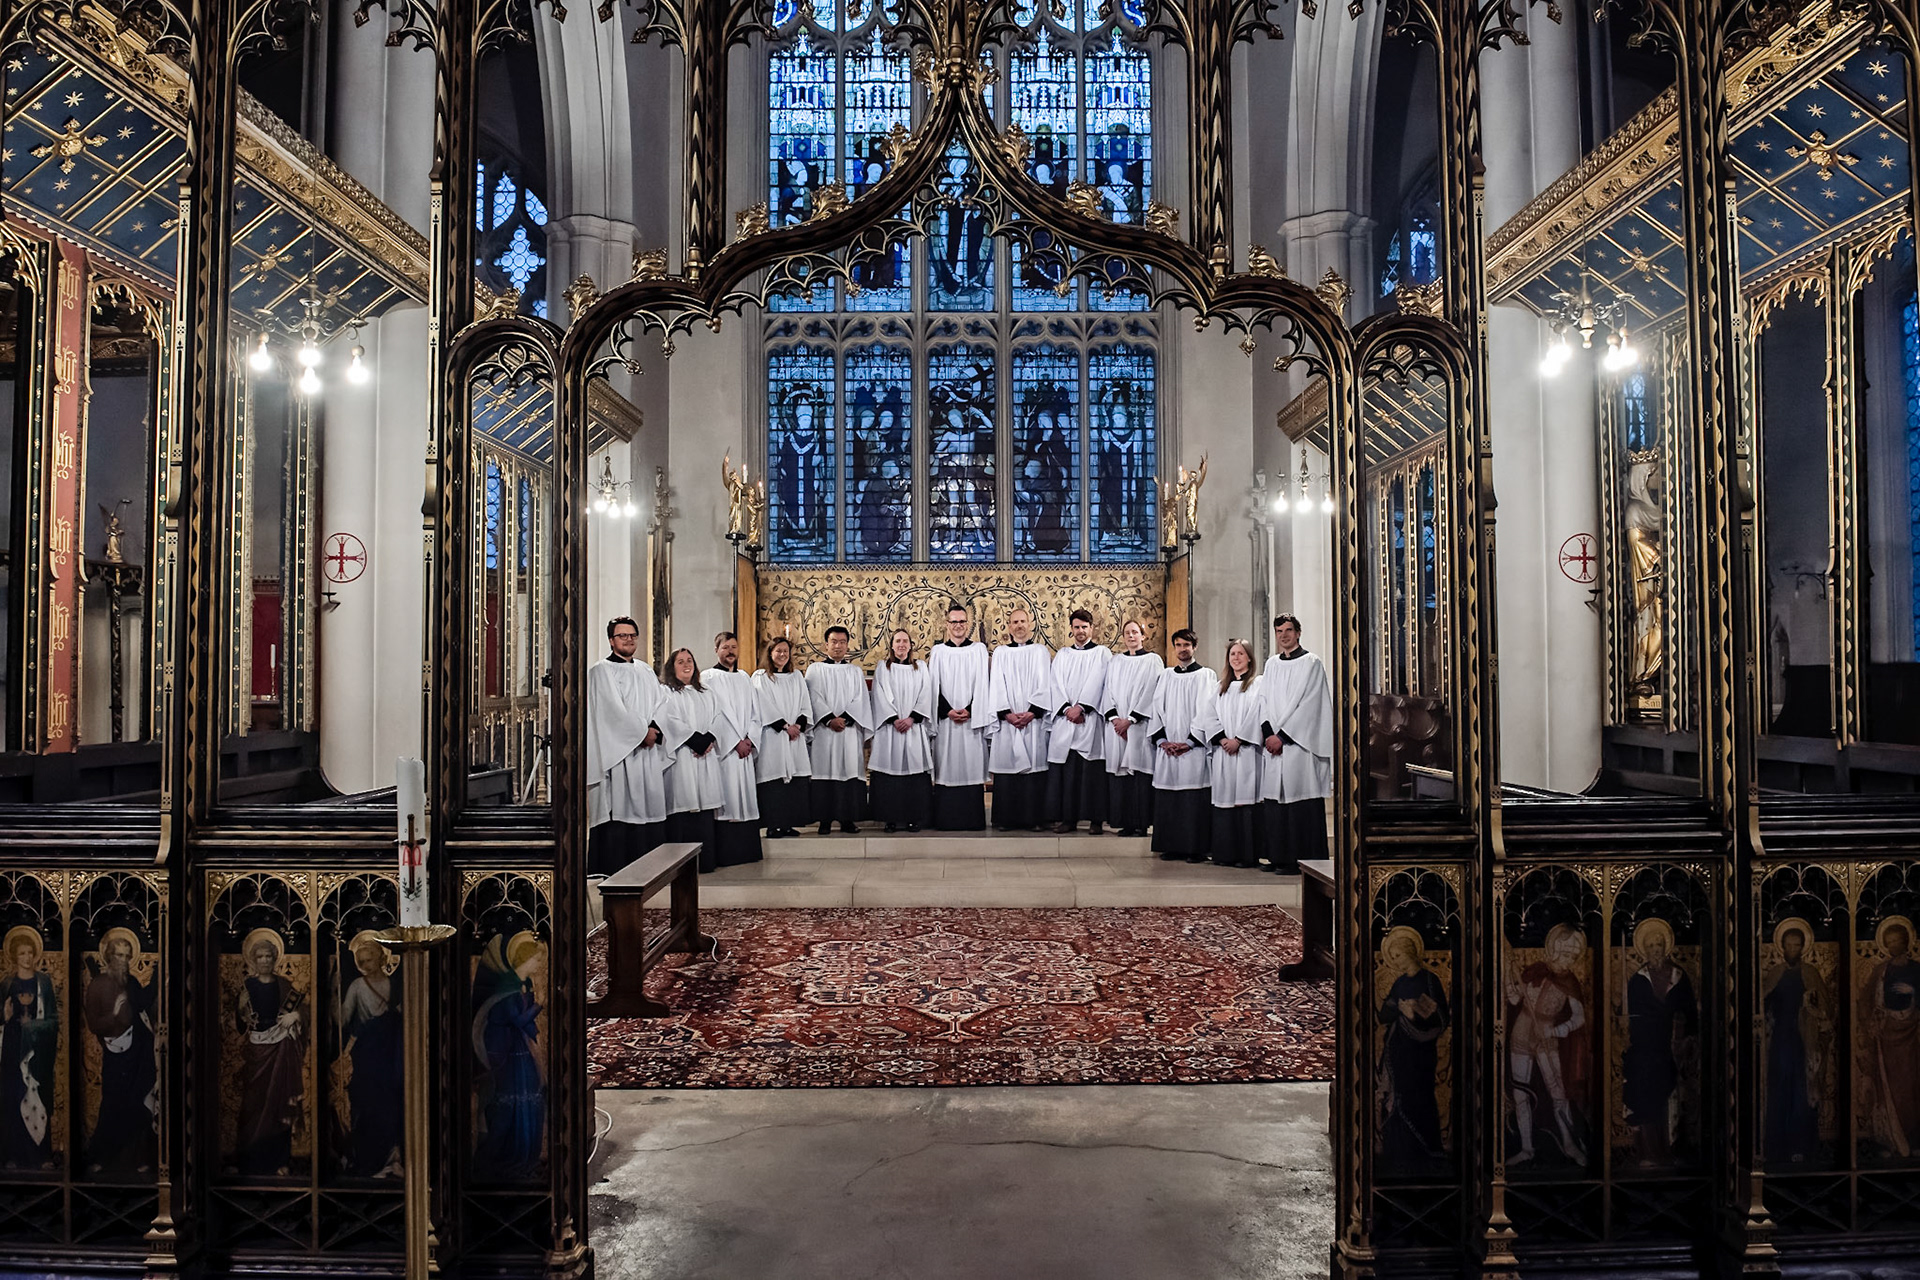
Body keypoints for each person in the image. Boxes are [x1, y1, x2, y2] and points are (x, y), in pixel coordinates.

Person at [585, 616, 668, 875]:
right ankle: (616, 871)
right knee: (620, 808)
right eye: (622, 636)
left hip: (647, 752)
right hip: (620, 756)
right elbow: (611, 712)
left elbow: (661, 703)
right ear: (611, 640)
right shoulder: (601, 671)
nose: (629, 639)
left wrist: (654, 729)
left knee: (647, 807)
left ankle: (650, 870)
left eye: (632, 635)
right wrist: (641, 733)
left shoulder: (644, 670)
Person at [1506, 922, 1590, 1167]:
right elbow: (1514, 998)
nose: (1568, 961)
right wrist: (1509, 976)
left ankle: (1569, 1143)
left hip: (1548, 1037)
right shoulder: (1535, 971)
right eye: (1565, 954)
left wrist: (1557, 1029)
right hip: (1521, 1034)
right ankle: (1526, 1148)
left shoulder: (1570, 982)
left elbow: (1579, 1017)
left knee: (1558, 1093)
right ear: (1553, 948)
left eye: (1573, 957)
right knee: (1520, 1093)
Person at [1258, 615, 1334, 874]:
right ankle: (1279, 857)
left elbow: (1312, 705)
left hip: (1299, 746)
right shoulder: (1271, 664)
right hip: (1274, 745)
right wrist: (1268, 732)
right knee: (1276, 803)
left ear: (1298, 632)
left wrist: (1283, 737)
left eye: (1288, 630)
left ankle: (1304, 860)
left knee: (1300, 802)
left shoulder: (1311, 663)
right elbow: (1263, 700)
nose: (1283, 635)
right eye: (1279, 631)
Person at [471, 931, 546, 1179]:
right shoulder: (508, 987)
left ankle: (525, 1156)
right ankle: (503, 1158)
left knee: (528, 1095)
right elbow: (518, 1019)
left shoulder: (523, 984)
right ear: (525, 959)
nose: (539, 964)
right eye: (537, 959)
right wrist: (540, 1004)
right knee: (509, 1098)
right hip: (504, 1050)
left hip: (518, 1046)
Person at [1623, 917, 1696, 1166]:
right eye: (1651, 945)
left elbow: (1690, 1013)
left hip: (1671, 1050)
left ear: (1666, 947)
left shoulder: (1678, 976)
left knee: (1673, 1099)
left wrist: (1684, 1038)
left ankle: (1673, 1150)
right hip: (1646, 1050)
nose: (1655, 950)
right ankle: (1648, 1152)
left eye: (1659, 944)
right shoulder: (1639, 979)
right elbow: (1632, 1016)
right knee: (1645, 1096)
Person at [1377, 926, 1451, 1171]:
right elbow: (1384, 1014)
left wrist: (1416, 1013)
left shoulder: (1430, 980)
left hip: (1420, 1053)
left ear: (1411, 952)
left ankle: (1427, 1151)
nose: (1396, 961)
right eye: (1394, 957)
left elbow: (1441, 1018)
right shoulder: (1399, 983)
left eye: (1399, 955)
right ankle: (1398, 1151)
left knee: (1419, 1096)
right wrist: (1399, 1008)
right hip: (1399, 1049)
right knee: (1397, 1097)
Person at [84, 929, 156, 1177]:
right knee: (113, 1105)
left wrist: (158, 975)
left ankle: (139, 1158)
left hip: (139, 1054)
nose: (123, 961)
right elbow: (94, 1024)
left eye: (127, 956)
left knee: (137, 1105)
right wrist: (114, 1013)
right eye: (118, 956)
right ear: (108, 957)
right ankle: (103, 1157)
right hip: (116, 1055)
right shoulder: (98, 985)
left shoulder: (132, 983)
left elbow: (144, 1002)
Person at [234, 929, 305, 1176]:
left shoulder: (284, 985)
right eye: (260, 956)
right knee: (254, 1105)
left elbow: (301, 1011)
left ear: (275, 959)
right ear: (254, 959)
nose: (264, 960)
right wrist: (241, 1009)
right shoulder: (248, 986)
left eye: (268, 956)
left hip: (281, 1048)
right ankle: (250, 1159)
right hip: (257, 1049)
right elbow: (240, 1025)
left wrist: (296, 1016)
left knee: (278, 1104)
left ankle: (279, 1160)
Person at [1763, 920, 1831, 1165]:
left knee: (1802, 1093)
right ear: (1782, 947)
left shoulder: (1810, 973)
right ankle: (1777, 1148)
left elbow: (1825, 1008)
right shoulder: (1775, 974)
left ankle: (1800, 1147)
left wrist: (1811, 1008)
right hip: (1781, 1040)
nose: (1793, 949)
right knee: (1780, 1091)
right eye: (1789, 945)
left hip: (1805, 1040)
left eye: (1797, 945)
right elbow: (1763, 1006)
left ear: (1803, 947)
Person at [335, 931, 402, 1178]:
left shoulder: (394, 984)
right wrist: (333, 996)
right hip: (367, 1054)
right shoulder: (356, 986)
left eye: (369, 960)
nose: (364, 966)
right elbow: (343, 1018)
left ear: (381, 958)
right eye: (360, 962)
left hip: (390, 1053)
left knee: (390, 1104)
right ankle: (366, 1159)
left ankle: (391, 1157)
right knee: (366, 1104)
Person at [1145, 628, 1215, 862]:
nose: (1182, 649)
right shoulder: (1166, 676)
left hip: (1192, 748)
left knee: (1192, 799)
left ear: (1195, 647)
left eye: (1187, 645)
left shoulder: (1205, 675)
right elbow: (1156, 708)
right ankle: (1172, 845)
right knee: (1170, 797)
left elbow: (1206, 710)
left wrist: (1189, 741)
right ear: (1173, 648)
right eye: (1178, 645)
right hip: (1168, 748)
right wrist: (1163, 740)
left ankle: (1195, 848)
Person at [658, 647, 725, 869]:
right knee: (683, 803)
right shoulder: (666, 692)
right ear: (671, 667)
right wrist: (694, 740)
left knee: (704, 805)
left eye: (690, 660)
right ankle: (681, 866)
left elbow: (719, 717)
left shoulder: (706, 692)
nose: (687, 664)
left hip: (704, 756)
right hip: (683, 757)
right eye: (680, 661)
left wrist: (708, 739)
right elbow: (668, 719)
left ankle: (706, 861)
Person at [702, 632, 765, 868]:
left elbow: (755, 713)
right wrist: (733, 742)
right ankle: (726, 854)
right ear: (716, 649)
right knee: (726, 799)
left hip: (744, 750)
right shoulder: (707, 677)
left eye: (734, 647)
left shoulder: (744, 677)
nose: (730, 651)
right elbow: (712, 714)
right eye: (725, 647)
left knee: (745, 800)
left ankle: (745, 852)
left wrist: (749, 739)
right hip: (725, 753)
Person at [988, 607, 1053, 831]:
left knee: (1033, 768)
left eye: (1023, 621)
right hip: (1009, 722)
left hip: (1032, 721)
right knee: (1008, 768)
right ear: (1008, 626)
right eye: (1014, 622)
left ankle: (1034, 819)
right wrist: (1007, 714)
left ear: (1030, 623)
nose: (1019, 625)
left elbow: (1045, 685)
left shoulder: (1040, 652)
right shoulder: (1000, 653)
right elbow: (996, 685)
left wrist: (1032, 712)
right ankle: (1007, 819)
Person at [927, 603, 991, 830]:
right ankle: (946, 820)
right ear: (946, 624)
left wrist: (971, 710)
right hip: (947, 723)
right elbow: (933, 686)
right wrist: (947, 710)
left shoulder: (979, 650)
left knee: (971, 766)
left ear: (968, 623)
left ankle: (972, 820)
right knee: (947, 766)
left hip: (971, 722)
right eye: (954, 621)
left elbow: (983, 684)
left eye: (962, 621)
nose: (958, 626)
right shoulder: (938, 652)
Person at [1047, 608, 1109, 834]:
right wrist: (1066, 708)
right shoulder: (1063, 654)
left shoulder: (1102, 653)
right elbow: (1055, 683)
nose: (1080, 631)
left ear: (1091, 628)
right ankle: (1068, 819)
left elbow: (1099, 682)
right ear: (1071, 629)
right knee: (1067, 774)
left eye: (1084, 627)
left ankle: (1095, 820)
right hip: (1066, 720)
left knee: (1091, 774)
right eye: (1076, 627)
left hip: (1088, 720)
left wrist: (1082, 706)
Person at [1862, 917, 1919, 1158]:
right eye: (1890, 942)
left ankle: (1913, 1140)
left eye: (1897, 940)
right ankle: (1891, 1142)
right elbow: (1866, 1002)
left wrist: (1914, 992)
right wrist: (1873, 1023)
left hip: (1912, 1032)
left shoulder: (1917, 969)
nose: (1894, 945)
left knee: (1912, 1087)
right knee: (1888, 1087)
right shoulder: (1881, 971)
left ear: (1906, 941)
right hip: (1887, 1036)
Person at [806, 625, 872, 834]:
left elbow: (860, 699)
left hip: (848, 731)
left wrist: (845, 719)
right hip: (825, 733)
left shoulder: (854, 671)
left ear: (847, 645)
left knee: (849, 771)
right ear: (826, 644)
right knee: (825, 771)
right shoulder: (815, 670)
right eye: (834, 642)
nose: (838, 646)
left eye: (842, 642)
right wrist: (828, 719)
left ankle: (847, 820)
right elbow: (813, 697)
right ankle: (824, 821)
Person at [0, 927, 56, 1171]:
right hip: (13, 1050)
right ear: (15, 956)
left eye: (30, 952)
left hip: (37, 1051)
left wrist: (33, 1025)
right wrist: (5, 1015)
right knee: (15, 1099)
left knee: (39, 1100)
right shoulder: (7, 984)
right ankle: (14, 1156)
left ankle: (42, 1156)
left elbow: (53, 1020)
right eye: (22, 953)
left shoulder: (43, 982)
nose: (27, 957)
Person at [1101, 619, 1162, 837]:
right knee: (1121, 776)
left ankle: (1141, 823)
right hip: (1117, 727)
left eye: (1135, 632)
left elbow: (1151, 692)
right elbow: (1107, 690)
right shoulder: (1116, 661)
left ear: (1143, 636)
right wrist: (1115, 718)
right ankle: (1125, 822)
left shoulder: (1153, 660)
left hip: (1139, 727)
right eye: (1127, 632)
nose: (1131, 636)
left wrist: (1131, 719)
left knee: (1139, 774)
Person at [869, 628, 934, 832]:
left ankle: (915, 818)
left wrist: (912, 718)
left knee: (913, 776)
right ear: (892, 645)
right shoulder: (883, 668)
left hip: (913, 728)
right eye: (898, 641)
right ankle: (890, 819)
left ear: (910, 645)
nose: (901, 645)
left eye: (905, 641)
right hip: (890, 730)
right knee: (890, 776)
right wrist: (893, 719)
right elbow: (878, 694)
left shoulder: (920, 667)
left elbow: (926, 693)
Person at [1209, 640, 1264, 868]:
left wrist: (1239, 740)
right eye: (1232, 654)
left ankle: (1247, 855)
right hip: (1224, 752)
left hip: (1247, 752)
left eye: (1241, 654)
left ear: (1249, 658)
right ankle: (1225, 853)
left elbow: (1258, 713)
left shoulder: (1258, 684)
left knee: (1245, 801)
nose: (1236, 658)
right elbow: (1207, 715)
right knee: (1226, 801)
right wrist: (1222, 739)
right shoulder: (1220, 686)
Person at [752, 636, 813, 838]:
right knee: (774, 781)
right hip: (774, 736)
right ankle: (773, 825)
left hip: (794, 737)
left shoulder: (796, 677)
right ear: (770, 653)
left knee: (794, 781)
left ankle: (788, 823)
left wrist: (799, 725)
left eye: (786, 651)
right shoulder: (761, 677)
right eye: (778, 651)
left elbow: (805, 704)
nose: (782, 655)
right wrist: (785, 726)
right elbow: (762, 705)